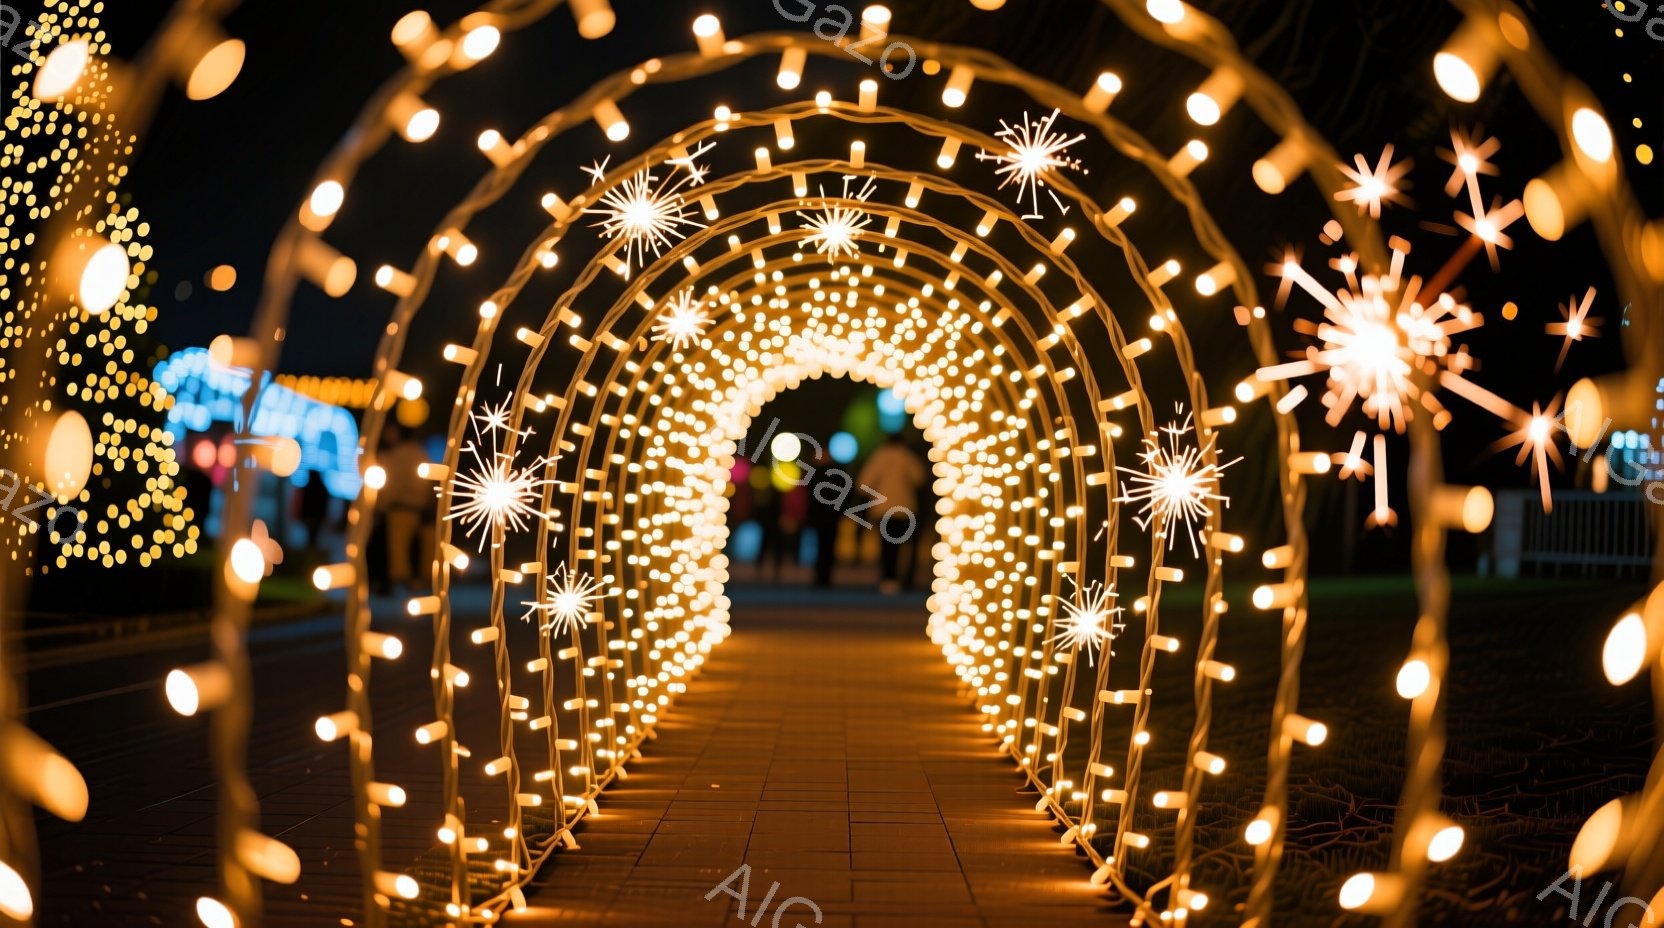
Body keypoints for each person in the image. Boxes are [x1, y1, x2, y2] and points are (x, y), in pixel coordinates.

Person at [857, 433, 927, 594]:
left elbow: (864, 482)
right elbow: (920, 478)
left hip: (883, 509)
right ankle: (906, 579)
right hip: (906, 508)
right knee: (906, 546)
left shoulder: (879, 456)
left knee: (887, 546)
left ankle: (888, 578)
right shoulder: (907, 457)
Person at [377, 423, 432, 595]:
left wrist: (381, 505)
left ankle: (399, 580)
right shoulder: (421, 453)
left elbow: (392, 484)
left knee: (397, 547)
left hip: (399, 507)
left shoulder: (397, 455)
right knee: (413, 546)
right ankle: (415, 580)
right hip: (417, 507)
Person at [806, 445, 843, 587]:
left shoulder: (813, 474)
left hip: (821, 517)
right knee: (827, 548)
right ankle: (824, 577)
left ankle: (821, 577)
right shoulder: (837, 474)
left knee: (821, 547)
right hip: (830, 517)